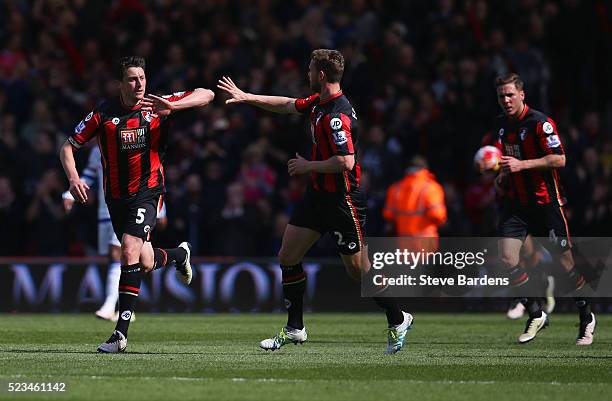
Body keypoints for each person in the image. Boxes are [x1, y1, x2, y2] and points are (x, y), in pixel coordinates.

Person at [218, 49, 413, 354]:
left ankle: (398, 318)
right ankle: (295, 327)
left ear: (321, 75)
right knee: (287, 255)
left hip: (342, 200)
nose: (306, 75)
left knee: (357, 270)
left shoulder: (337, 115)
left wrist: (309, 166)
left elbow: (346, 162)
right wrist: (246, 96)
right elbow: (286, 105)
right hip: (318, 197)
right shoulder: (318, 104)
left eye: (310, 70)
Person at [59, 56, 214, 352]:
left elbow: (206, 94)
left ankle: (120, 335)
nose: (139, 84)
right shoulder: (103, 114)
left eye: (142, 77)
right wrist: (73, 179)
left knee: (127, 250)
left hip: (148, 190)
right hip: (115, 198)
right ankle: (179, 255)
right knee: (143, 261)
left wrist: (174, 106)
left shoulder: (156, 105)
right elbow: (68, 146)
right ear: (120, 84)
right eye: (132, 79)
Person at [493, 73, 594, 345]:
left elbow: (559, 159)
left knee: (565, 266)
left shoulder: (541, 123)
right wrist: (504, 175)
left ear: (522, 94)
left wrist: (521, 166)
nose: (506, 100)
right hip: (516, 204)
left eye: (510, 94)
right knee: (507, 259)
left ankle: (586, 315)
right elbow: (510, 159)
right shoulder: (503, 127)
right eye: (501, 95)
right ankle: (536, 313)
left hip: (544, 204)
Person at [62, 145, 168, 321]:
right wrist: (71, 193)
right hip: (107, 209)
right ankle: (178, 256)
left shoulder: (136, 140)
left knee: (118, 251)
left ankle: (111, 304)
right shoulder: (98, 150)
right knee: (141, 260)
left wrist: (161, 210)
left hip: (132, 206)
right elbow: (90, 174)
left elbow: (152, 174)